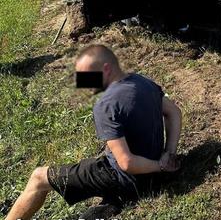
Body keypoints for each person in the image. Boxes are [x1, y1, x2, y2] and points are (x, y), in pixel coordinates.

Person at [6, 44, 182, 220]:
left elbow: (127, 163)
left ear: (106, 69)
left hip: (126, 179)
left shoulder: (106, 105)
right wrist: (169, 153)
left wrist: (161, 166)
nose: (82, 84)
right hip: (149, 171)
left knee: (38, 178)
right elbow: (174, 112)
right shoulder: (143, 82)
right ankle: (112, 203)